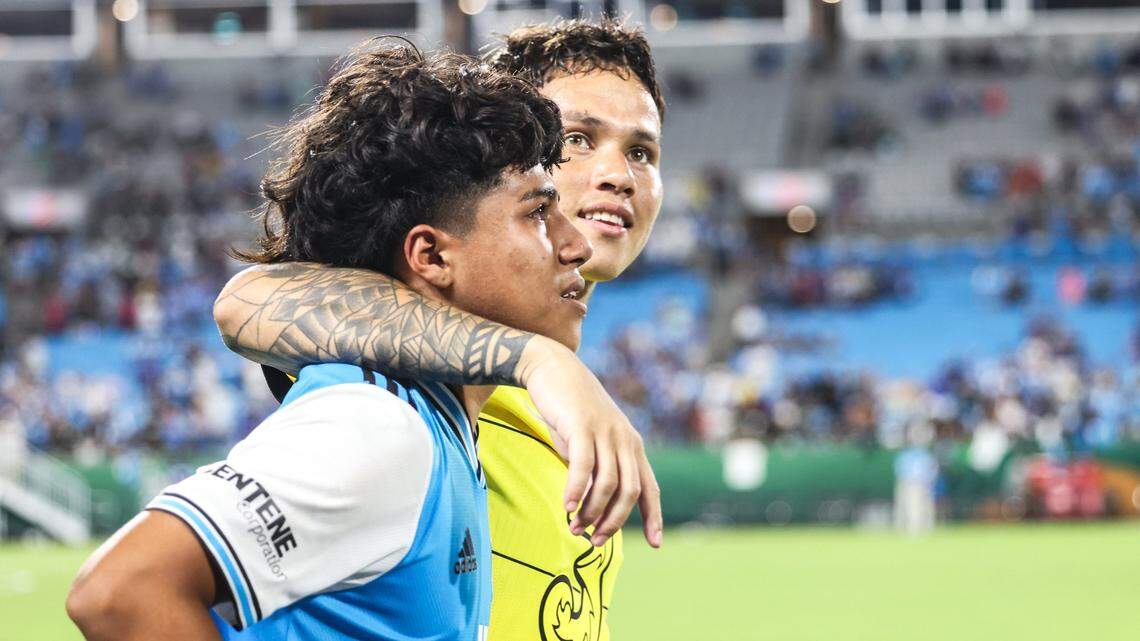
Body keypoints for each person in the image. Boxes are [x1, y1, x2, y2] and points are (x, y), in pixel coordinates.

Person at [67, 43, 590, 641]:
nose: (576, 244)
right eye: (538, 213)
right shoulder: (378, 425)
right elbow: (120, 591)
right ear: (432, 255)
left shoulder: (438, 421)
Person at [212, 19, 666, 640]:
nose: (620, 174)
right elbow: (250, 299)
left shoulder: (565, 373)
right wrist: (534, 358)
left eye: (641, 151)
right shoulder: (403, 378)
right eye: (578, 138)